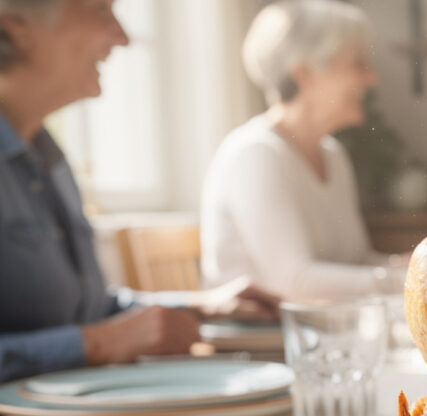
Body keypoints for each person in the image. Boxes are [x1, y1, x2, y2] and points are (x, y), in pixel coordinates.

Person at [0, 0, 279, 383]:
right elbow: (95, 334)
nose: (124, 37)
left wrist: (202, 305)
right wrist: (98, 344)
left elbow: (91, 310)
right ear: (16, 25)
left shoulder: (50, 160)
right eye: (100, 10)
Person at [200, 0, 399, 302]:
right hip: (259, 342)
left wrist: (411, 266)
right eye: (357, 63)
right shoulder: (256, 153)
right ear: (305, 73)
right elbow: (293, 282)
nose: (372, 78)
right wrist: (399, 280)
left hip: (320, 336)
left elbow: (356, 262)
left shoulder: (333, 155)